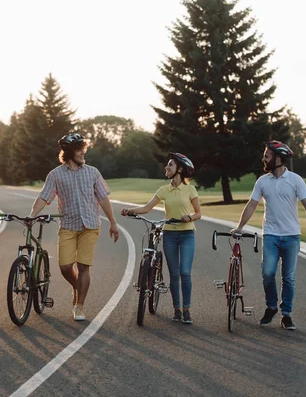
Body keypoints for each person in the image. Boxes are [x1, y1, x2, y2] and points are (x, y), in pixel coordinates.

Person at [232, 141, 306, 330]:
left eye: (267, 155)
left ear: (278, 158)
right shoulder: (262, 181)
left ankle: (286, 314)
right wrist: (240, 226)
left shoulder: (295, 180)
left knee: (288, 277)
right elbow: (251, 204)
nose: (263, 158)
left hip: (291, 236)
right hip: (271, 235)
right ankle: (271, 306)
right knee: (267, 273)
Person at [27, 133, 120, 322]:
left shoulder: (92, 172)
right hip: (68, 225)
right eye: (79, 150)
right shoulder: (55, 175)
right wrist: (31, 215)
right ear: (69, 152)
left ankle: (79, 305)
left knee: (84, 266)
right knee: (65, 266)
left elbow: (103, 198)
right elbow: (44, 197)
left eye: (82, 149)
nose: (82, 153)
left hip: (90, 226)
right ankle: (78, 287)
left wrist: (113, 222)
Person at [121, 152, 201, 324]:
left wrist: (190, 217)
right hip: (170, 234)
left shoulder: (190, 189)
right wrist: (130, 210)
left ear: (179, 168)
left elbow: (199, 213)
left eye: (170, 165)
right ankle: (177, 310)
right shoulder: (164, 190)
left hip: (187, 234)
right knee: (173, 274)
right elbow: (147, 208)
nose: (166, 167)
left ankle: (187, 310)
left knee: (185, 273)